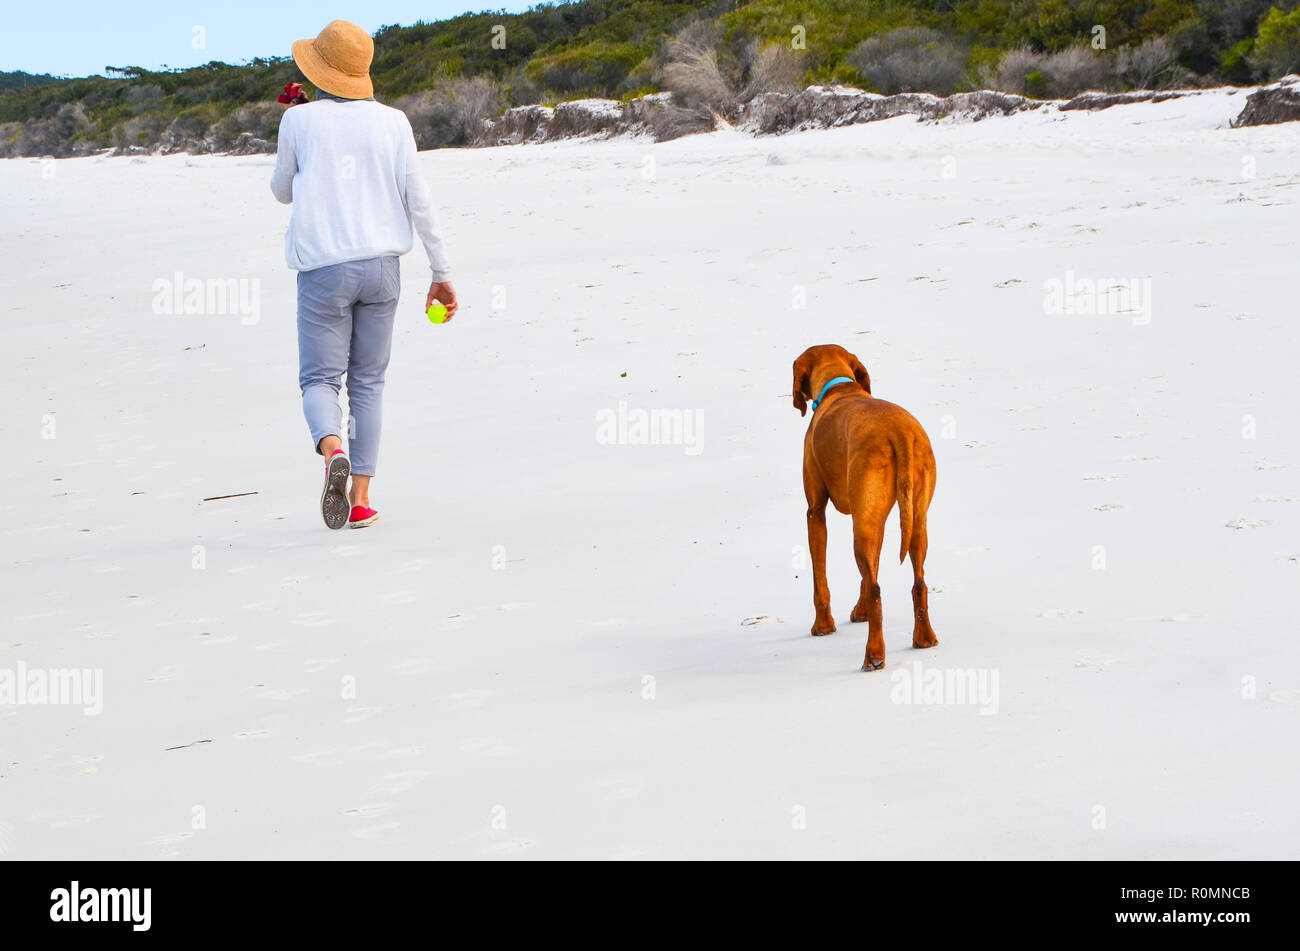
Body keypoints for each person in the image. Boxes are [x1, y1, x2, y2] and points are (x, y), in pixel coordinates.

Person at [270, 19, 458, 530]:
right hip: (383, 269)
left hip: (325, 269)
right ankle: (360, 500)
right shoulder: (395, 122)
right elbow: (419, 201)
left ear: (320, 71)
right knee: (369, 383)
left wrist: (298, 123)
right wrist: (441, 271)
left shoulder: (298, 122)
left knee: (319, 378)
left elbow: (282, 190)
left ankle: (333, 448)